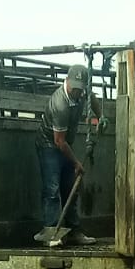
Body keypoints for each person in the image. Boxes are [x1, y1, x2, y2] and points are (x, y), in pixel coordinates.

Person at [34, 63, 102, 246]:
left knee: (70, 188)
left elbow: (92, 97)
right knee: (52, 189)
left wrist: (101, 116)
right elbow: (59, 141)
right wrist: (76, 163)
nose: (77, 92)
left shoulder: (83, 92)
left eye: (80, 89)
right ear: (67, 81)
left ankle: (73, 232)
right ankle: (50, 234)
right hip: (50, 144)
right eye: (74, 88)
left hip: (65, 144)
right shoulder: (60, 104)